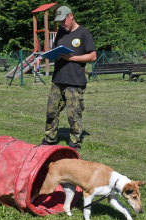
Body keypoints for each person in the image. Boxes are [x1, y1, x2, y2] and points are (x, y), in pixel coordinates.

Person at [40, 5, 96, 151]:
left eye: (63, 21)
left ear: (71, 16)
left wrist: (73, 58)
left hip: (75, 81)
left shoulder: (84, 33)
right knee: (51, 111)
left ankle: (74, 142)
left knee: (73, 114)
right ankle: (50, 139)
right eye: (59, 22)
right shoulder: (60, 33)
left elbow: (92, 56)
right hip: (57, 79)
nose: (62, 24)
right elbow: (55, 50)